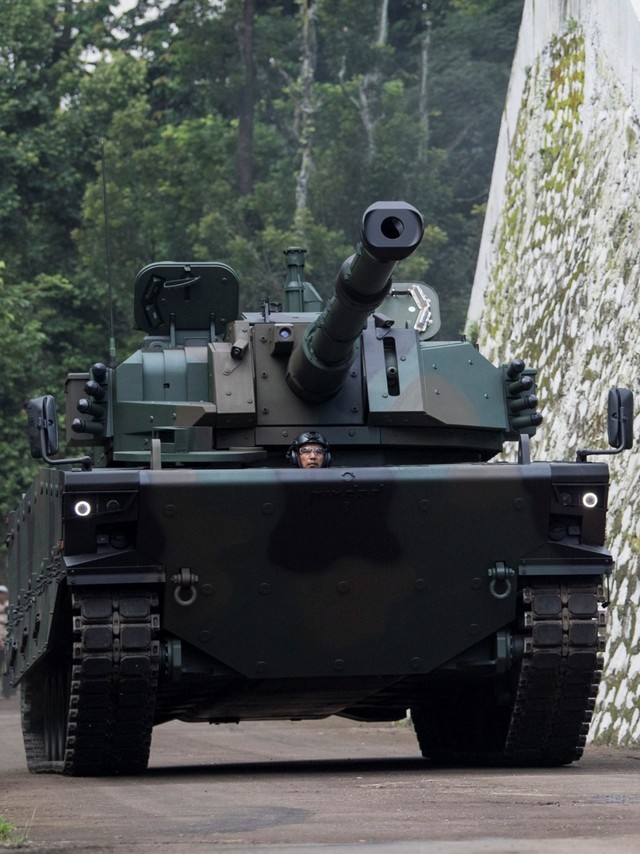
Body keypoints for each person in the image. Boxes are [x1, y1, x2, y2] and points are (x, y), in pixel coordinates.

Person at [0, 585, 12, 699]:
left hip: (7, 640)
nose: (1, 595)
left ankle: (7, 692)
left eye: (2, 593)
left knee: (7, 668)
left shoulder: (10, 606)